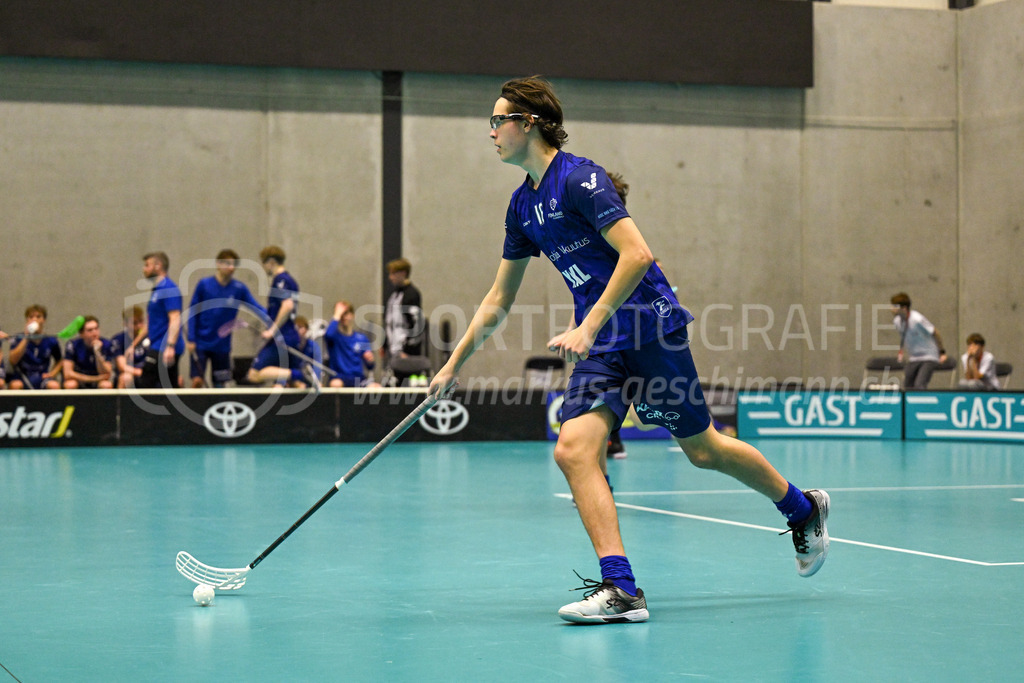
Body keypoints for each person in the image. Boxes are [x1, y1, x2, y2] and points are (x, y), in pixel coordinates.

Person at [428, 76, 829, 624]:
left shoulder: (580, 178)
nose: (491, 131)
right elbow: (499, 296)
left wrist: (588, 326)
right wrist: (453, 365)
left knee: (704, 450)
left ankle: (802, 508)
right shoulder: (522, 206)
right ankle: (622, 590)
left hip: (648, 331)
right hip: (600, 346)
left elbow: (637, 254)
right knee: (573, 450)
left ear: (531, 124)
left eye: (498, 120)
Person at [187, 249, 267, 388]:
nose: (231, 268)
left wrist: (274, 319)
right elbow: (193, 311)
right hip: (201, 343)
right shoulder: (204, 285)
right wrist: (191, 338)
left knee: (220, 383)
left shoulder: (238, 288)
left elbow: (255, 307)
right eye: (228, 264)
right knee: (197, 381)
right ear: (218, 264)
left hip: (222, 345)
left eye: (234, 264)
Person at [247, 245, 302, 385]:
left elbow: (287, 305)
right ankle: (300, 377)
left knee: (254, 374)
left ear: (271, 262)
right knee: (283, 382)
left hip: (282, 337)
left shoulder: (280, 280)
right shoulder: (290, 280)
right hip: (289, 336)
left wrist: (272, 330)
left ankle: (301, 374)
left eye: (264, 263)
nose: (264, 268)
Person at [136, 251, 185, 388]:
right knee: (169, 386)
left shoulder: (169, 289)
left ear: (158, 266)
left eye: (147, 265)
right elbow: (152, 323)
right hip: (156, 345)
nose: (143, 269)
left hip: (163, 347)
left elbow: (175, 318)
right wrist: (133, 345)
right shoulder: (156, 290)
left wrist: (170, 346)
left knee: (146, 383)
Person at [381, 257, 425, 385]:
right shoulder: (394, 296)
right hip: (394, 350)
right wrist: (384, 344)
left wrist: (408, 350)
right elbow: (389, 322)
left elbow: (417, 324)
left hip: (406, 352)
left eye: (393, 273)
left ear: (403, 273)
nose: (390, 277)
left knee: (406, 385)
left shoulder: (412, 294)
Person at [890, 292, 947, 390]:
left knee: (919, 384)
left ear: (904, 308)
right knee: (907, 385)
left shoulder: (917, 319)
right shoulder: (897, 322)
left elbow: (935, 333)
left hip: (929, 356)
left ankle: (922, 405)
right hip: (914, 358)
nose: (891, 309)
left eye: (895, 306)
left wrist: (942, 352)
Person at [324, 300, 379, 388]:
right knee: (335, 384)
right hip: (340, 377)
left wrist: (370, 360)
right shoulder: (334, 337)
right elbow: (328, 334)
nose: (344, 317)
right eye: (342, 315)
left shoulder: (361, 338)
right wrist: (337, 315)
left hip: (358, 378)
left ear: (352, 315)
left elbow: (370, 367)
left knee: (375, 387)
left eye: (347, 313)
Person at [7, 304, 62, 390]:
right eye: (31, 317)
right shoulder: (18, 338)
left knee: (54, 385)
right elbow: (12, 360)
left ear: (44, 320)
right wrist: (26, 338)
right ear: (27, 320)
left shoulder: (51, 340)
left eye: (38, 317)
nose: (34, 319)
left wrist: (52, 373)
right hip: (23, 376)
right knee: (15, 385)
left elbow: (60, 360)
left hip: (42, 377)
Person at [61, 316, 114, 389]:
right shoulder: (73, 345)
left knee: (106, 385)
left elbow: (106, 374)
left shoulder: (106, 344)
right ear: (81, 334)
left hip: (98, 381)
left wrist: (97, 353)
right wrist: (94, 379)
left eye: (96, 328)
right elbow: (67, 373)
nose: (94, 333)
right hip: (80, 379)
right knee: (70, 384)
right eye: (90, 330)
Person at [111, 306, 147, 389]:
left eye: (141, 321)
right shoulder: (118, 339)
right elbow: (122, 366)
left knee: (178, 380)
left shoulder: (151, 338)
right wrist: (140, 372)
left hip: (147, 374)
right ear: (126, 324)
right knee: (126, 378)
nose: (139, 326)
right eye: (135, 323)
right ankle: (120, 402)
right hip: (132, 374)